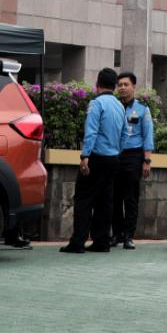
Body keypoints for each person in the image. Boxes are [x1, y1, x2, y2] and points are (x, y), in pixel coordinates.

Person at [60, 68, 125, 254]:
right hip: (113, 158)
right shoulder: (120, 107)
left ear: (97, 84)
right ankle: (102, 241)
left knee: (83, 199)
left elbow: (91, 131)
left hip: (96, 157)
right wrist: (116, 154)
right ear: (114, 86)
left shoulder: (96, 104)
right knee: (105, 201)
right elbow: (123, 136)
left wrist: (84, 156)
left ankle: (78, 242)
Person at [111, 71, 154, 250]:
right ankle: (117, 235)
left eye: (125, 84)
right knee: (114, 197)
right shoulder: (113, 107)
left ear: (133, 87)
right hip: (114, 156)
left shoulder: (143, 110)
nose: (122, 88)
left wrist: (147, 160)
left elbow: (148, 135)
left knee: (131, 198)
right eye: (119, 85)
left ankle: (129, 236)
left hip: (133, 157)